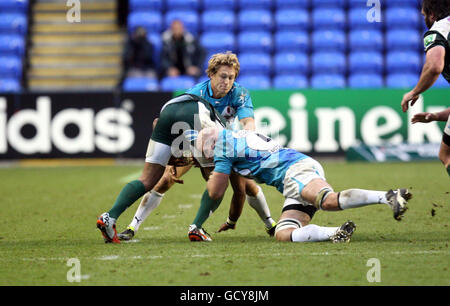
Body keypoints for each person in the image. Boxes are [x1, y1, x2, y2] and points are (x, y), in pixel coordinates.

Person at [117, 52, 277, 242]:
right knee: (165, 179)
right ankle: (132, 227)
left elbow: (247, 121)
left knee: (246, 186)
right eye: (223, 76)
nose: (227, 82)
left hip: (223, 145)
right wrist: (170, 160)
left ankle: (270, 224)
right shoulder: (195, 94)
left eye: (231, 77)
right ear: (211, 74)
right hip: (191, 143)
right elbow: (169, 126)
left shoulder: (239, 93)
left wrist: (249, 137)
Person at [196, 127, 413, 243]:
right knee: (284, 233)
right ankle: (336, 233)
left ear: (212, 144)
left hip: (293, 171)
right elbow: (246, 191)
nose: (208, 157)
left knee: (328, 201)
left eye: (206, 152)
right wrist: (232, 220)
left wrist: (212, 170)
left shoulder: (224, 147)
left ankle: (389, 196)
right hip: (293, 176)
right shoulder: (232, 138)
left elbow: (215, 191)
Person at [97, 92, 226, 243]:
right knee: (218, 181)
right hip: (194, 113)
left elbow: (157, 123)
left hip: (167, 110)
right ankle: (196, 228)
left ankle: (110, 217)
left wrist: (182, 157)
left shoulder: (199, 97)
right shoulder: (227, 134)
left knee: (147, 179)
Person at [400, 0, 450, 176]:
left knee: (446, 154)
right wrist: (436, 116)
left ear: (432, 14)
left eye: (424, 15)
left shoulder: (438, 30)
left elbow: (435, 66)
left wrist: (415, 91)